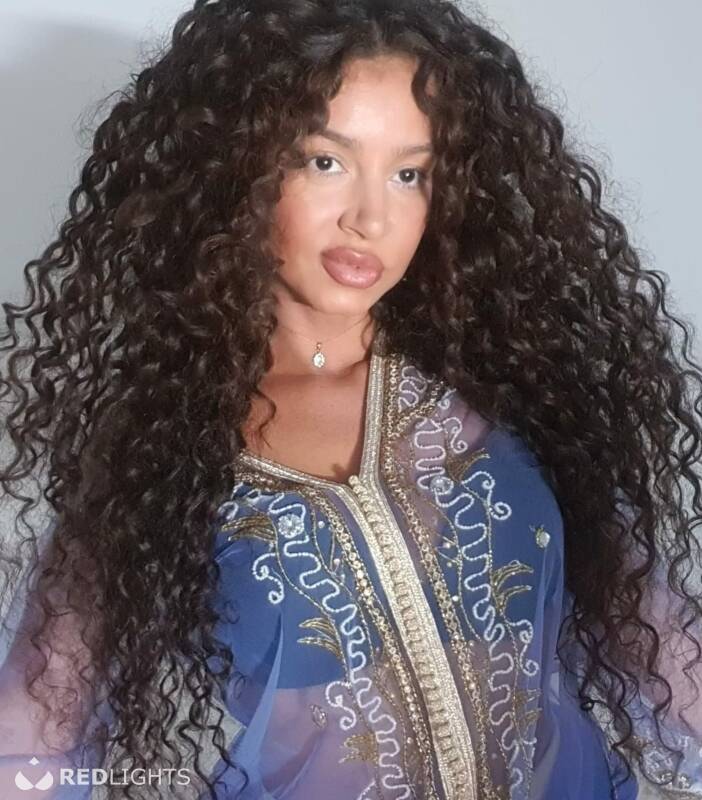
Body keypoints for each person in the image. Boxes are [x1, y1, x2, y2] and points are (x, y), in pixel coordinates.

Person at [0, 0, 700, 798]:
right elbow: (32, 739)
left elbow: (661, 645)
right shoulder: (163, 449)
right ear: (238, 167)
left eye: (410, 174)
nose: (371, 217)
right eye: (325, 161)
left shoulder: (504, 383)